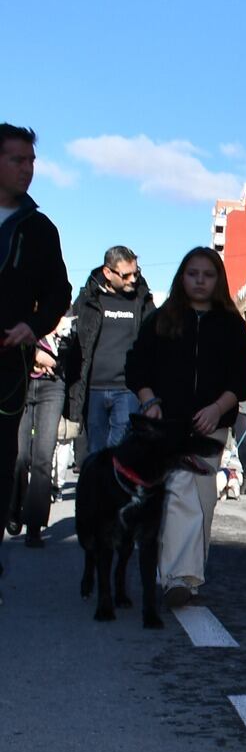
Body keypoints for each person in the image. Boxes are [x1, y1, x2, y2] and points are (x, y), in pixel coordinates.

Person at [125, 247, 246, 603]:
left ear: (218, 281)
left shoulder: (231, 325)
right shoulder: (162, 319)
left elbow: (243, 377)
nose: (200, 280)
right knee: (179, 494)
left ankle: (187, 577)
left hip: (211, 427)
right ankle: (177, 578)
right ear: (182, 277)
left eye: (208, 274)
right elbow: (136, 366)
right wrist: (149, 400)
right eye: (193, 273)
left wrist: (217, 408)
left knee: (202, 500)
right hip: (167, 427)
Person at [0, 124, 70, 588]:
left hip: (8, 365)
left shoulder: (40, 228)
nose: (27, 169)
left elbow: (59, 291)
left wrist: (35, 325)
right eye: (17, 160)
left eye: (32, 161)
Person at [64, 247, 155, 456]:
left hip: (128, 390)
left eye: (136, 272)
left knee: (119, 451)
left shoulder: (143, 302)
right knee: (95, 453)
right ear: (107, 272)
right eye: (126, 275)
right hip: (93, 390)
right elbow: (75, 340)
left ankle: (116, 488)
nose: (132, 279)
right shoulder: (88, 299)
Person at [6, 331, 66, 547]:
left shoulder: (64, 315)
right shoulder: (20, 308)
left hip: (53, 385)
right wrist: (36, 355)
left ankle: (34, 525)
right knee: (19, 456)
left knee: (43, 458)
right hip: (21, 382)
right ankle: (13, 508)